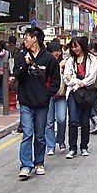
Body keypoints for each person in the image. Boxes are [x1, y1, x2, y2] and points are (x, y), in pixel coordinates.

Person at [12, 26, 60, 179]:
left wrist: (47, 95)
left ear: (35, 39)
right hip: (26, 102)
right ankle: (26, 165)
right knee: (27, 133)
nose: (24, 40)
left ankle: (39, 162)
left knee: (40, 135)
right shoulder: (21, 57)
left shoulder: (49, 59)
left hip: (42, 103)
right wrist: (25, 65)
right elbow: (17, 75)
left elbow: (55, 81)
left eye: (26, 38)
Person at [62, 37, 97, 158]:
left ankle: (84, 146)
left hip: (87, 93)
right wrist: (77, 83)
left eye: (76, 46)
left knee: (84, 121)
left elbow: (92, 78)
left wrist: (79, 84)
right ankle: (72, 148)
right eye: (72, 47)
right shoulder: (70, 61)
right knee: (72, 120)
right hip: (73, 92)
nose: (74, 49)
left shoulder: (93, 59)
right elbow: (66, 77)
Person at [45, 40, 67, 155]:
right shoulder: (46, 62)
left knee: (61, 119)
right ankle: (50, 145)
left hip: (61, 95)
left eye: (59, 51)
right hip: (48, 95)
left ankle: (61, 140)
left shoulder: (65, 63)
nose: (57, 53)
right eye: (55, 51)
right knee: (49, 122)